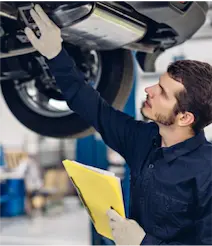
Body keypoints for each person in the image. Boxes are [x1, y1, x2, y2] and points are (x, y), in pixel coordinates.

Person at [24, 4, 212, 246]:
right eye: (157, 83)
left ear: (185, 117)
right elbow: (94, 108)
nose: (149, 89)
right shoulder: (144, 140)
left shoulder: (207, 173)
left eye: (162, 93)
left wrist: (144, 243)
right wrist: (55, 55)